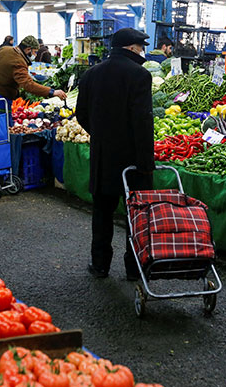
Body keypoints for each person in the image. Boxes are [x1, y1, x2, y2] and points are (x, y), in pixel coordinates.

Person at [76, 28, 155, 280]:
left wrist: (100, 136)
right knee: (136, 217)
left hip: (103, 158)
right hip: (133, 160)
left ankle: (100, 265)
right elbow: (143, 121)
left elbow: (81, 114)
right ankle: (134, 269)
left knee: (102, 214)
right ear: (131, 48)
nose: (142, 52)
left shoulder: (91, 74)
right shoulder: (139, 75)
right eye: (141, 47)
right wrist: (146, 163)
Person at [0, 35, 66, 127]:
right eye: (35, 52)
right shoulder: (18, 61)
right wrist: (52, 92)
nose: (35, 55)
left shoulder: (5, 50)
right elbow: (28, 85)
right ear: (28, 49)